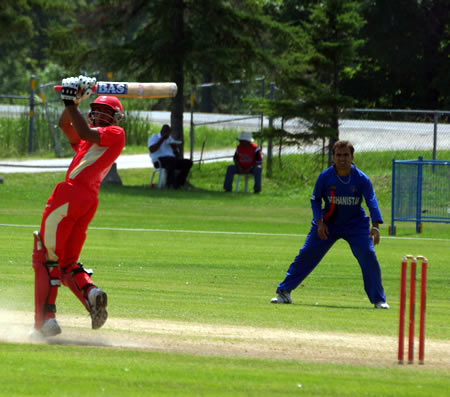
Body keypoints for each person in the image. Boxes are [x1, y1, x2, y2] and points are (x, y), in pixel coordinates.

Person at [30, 75, 126, 338]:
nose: (97, 116)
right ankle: (91, 294)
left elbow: (84, 130)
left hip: (70, 195)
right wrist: (73, 101)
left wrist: (72, 103)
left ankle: (44, 322)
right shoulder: (88, 144)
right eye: (95, 112)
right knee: (66, 262)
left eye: (104, 113)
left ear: (117, 118)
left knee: (45, 256)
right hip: (86, 201)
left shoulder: (114, 134)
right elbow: (66, 125)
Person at [271, 140, 389, 309]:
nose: (342, 159)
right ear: (333, 157)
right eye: (338, 155)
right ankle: (284, 292)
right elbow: (315, 200)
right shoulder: (325, 177)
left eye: (346, 155)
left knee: (368, 255)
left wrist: (376, 226)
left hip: (355, 225)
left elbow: (372, 201)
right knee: (307, 254)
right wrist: (319, 222)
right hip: (328, 224)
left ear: (352, 157)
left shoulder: (361, 179)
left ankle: (379, 299)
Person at [148, 124, 193, 188]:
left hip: (171, 159)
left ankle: (179, 183)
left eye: (168, 132)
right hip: (159, 160)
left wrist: (174, 148)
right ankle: (170, 184)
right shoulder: (154, 137)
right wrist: (162, 139)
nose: (167, 134)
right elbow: (152, 149)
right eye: (165, 132)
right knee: (170, 161)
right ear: (162, 131)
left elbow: (177, 154)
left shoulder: (170, 139)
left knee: (188, 163)